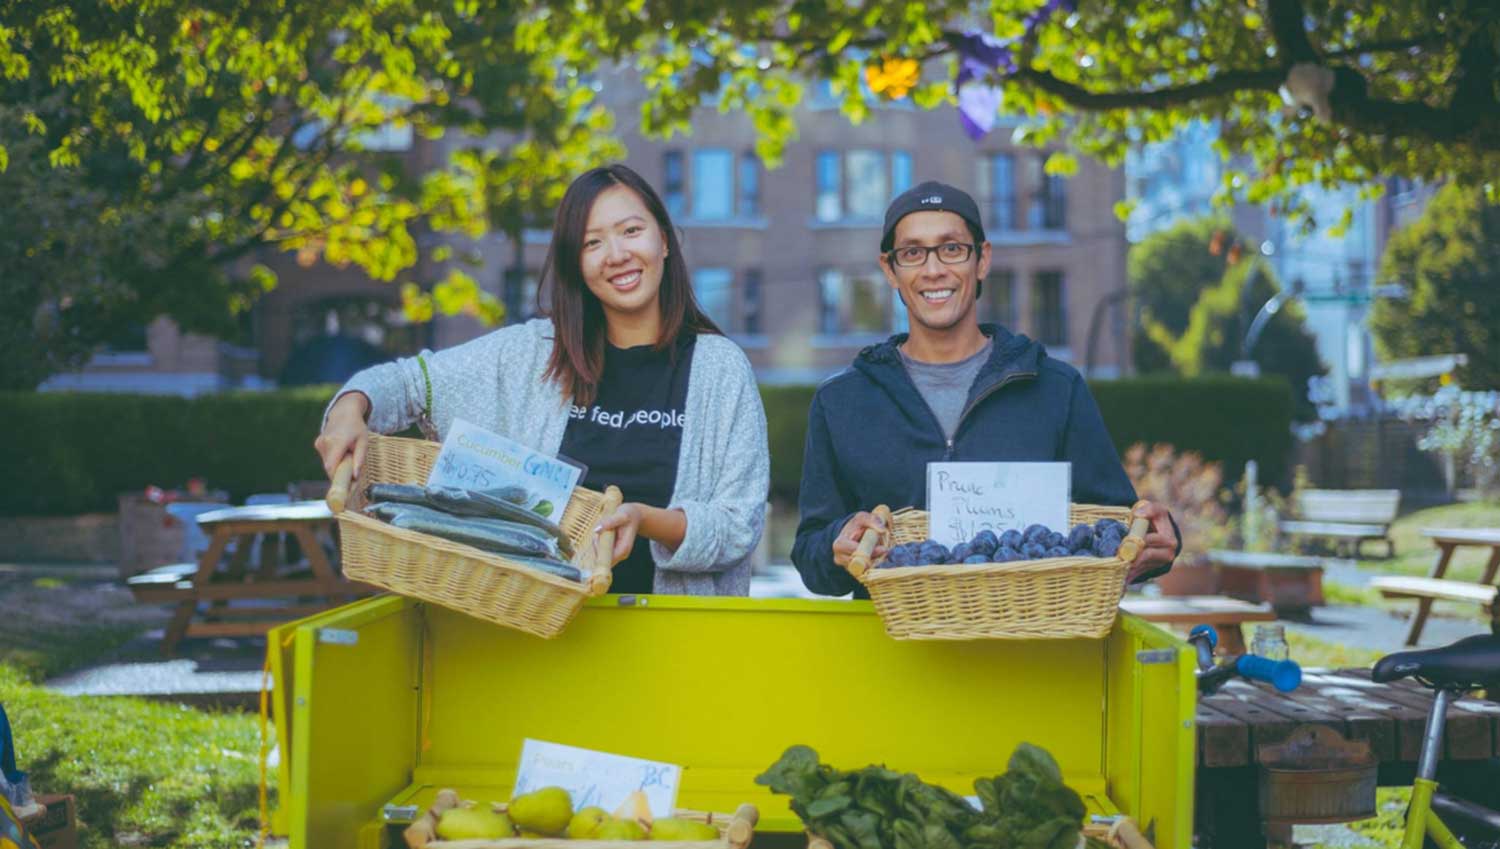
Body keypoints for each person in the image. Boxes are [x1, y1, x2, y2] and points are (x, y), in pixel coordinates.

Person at [315, 164, 769, 596]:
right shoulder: (534, 353)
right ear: (576, 264)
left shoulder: (719, 368)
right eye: (592, 243)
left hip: (674, 638)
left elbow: (738, 524)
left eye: (632, 231)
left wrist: (646, 520)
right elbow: (409, 383)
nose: (617, 255)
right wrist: (351, 407)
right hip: (540, 637)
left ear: (665, 242)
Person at [792, 180, 1180, 597]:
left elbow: (1113, 533)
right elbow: (811, 554)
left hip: (1031, 649)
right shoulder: (842, 402)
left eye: (952, 248)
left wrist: (1160, 543)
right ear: (890, 270)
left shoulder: (1055, 388)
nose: (933, 269)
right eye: (912, 253)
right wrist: (837, 541)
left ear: (982, 260)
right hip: (889, 652)